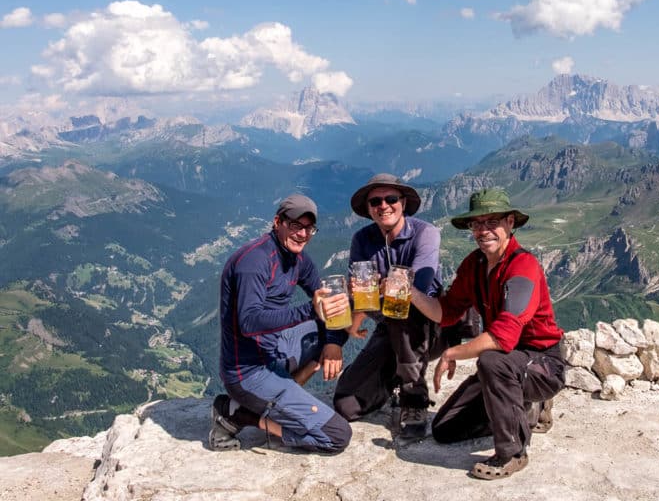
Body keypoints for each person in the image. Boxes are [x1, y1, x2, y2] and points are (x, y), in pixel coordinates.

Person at [410, 188, 566, 480]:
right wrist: (411, 294)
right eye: (476, 224)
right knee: (445, 429)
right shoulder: (474, 265)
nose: (483, 230)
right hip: (509, 364)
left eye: (491, 221)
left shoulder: (523, 266)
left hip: (543, 363)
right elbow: (447, 312)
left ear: (509, 223)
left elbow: (504, 336)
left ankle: (512, 453)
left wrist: (452, 352)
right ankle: (522, 408)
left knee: (492, 362)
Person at [209, 194, 352, 453]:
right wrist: (310, 310)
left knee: (337, 323)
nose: (303, 234)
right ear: (278, 222)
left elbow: (324, 302)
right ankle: (241, 416)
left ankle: (287, 390)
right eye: (296, 225)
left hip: (275, 351)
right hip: (248, 373)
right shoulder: (254, 262)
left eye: (309, 228)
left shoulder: (298, 260)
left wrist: (333, 341)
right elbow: (249, 322)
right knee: (336, 436)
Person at [333, 173, 442, 438]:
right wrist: (357, 316)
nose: (384, 205)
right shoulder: (363, 239)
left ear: (403, 202)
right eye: (375, 202)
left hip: (429, 325)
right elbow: (361, 290)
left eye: (391, 198)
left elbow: (420, 288)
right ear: (369, 209)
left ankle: (414, 398)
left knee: (401, 304)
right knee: (346, 405)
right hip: (388, 325)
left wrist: (389, 286)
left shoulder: (425, 234)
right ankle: (389, 375)